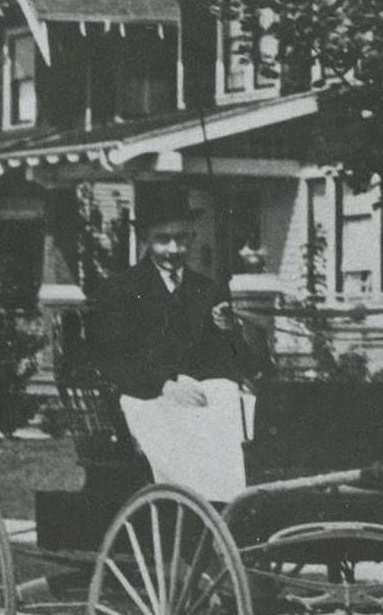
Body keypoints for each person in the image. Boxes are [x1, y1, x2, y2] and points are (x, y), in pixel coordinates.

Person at [88, 189, 269, 497]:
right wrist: (164, 385)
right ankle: (203, 503)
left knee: (239, 405)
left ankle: (233, 502)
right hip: (146, 397)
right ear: (146, 238)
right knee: (187, 430)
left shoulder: (207, 289)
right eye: (163, 239)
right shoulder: (120, 289)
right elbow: (113, 357)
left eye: (182, 238)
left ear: (192, 236)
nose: (173, 248)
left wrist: (229, 331)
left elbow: (230, 360)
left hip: (200, 396)